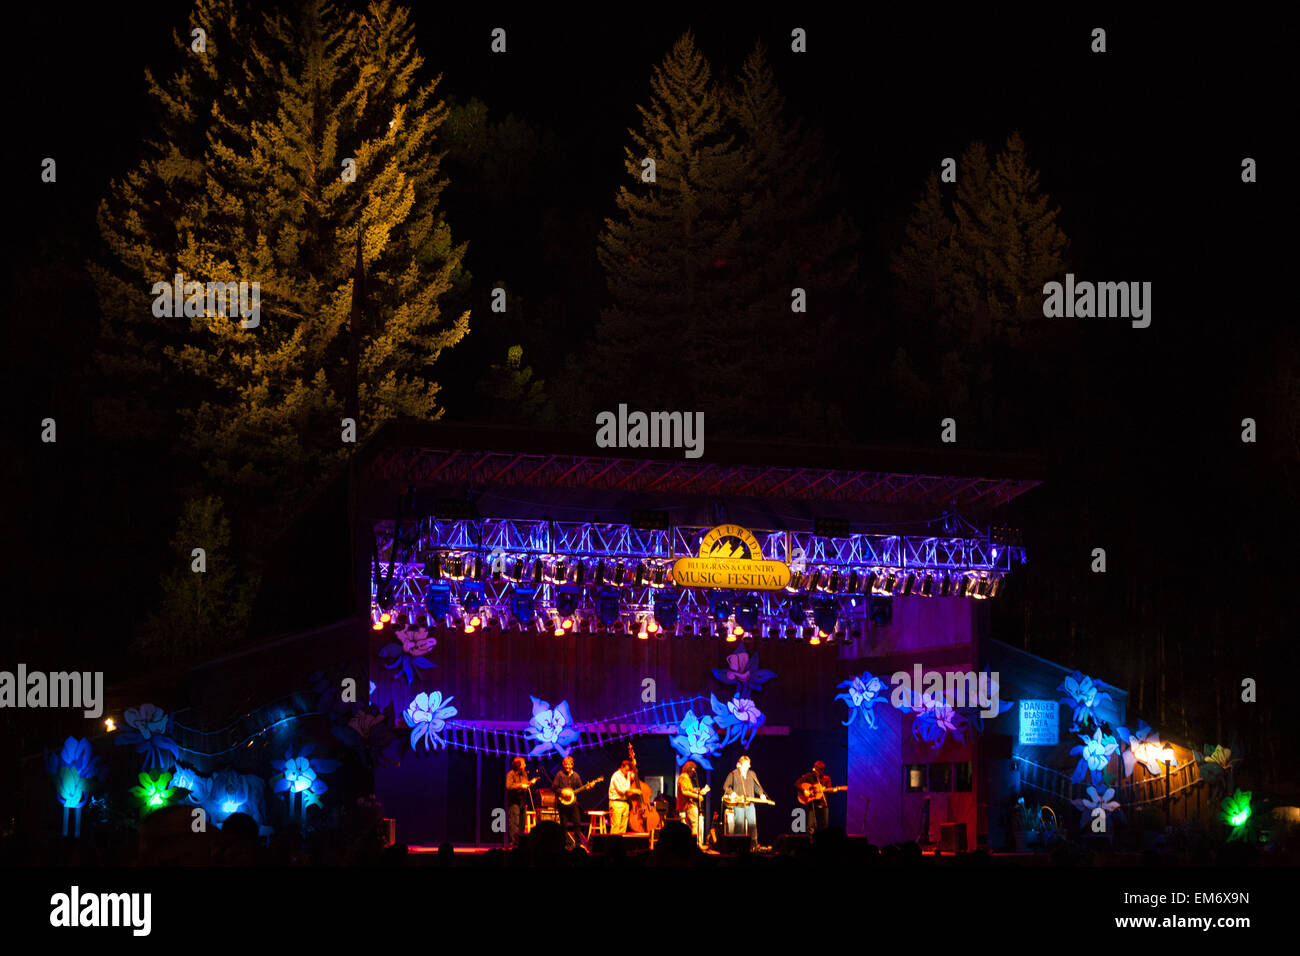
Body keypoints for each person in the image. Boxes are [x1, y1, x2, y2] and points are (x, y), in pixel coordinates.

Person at [722, 754, 769, 849]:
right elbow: (726, 787)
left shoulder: (752, 774)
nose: (747, 767)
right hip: (739, 804)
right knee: (739, 826)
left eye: (748, 765)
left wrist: (761, 794)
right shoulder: (733, 774)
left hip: (750, 804)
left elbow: (757, 787)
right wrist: (732, 793)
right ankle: (739, 847)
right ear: (740, 764)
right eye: (745, 765)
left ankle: (754, 845)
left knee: (753, 825)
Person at [553, 755, 586, 849]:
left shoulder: (576, 776)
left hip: (573, 804)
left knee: (577, 823)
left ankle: (578, 844)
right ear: (563, 764)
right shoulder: (559, 774)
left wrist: (586, 787)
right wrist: (562, 793)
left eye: (569, 765)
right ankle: (564, 844)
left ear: (572, 765)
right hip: (562, 804)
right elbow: (554, 787)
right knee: (563, 825)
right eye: (565, 764)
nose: (567, 766)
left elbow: (580, 787)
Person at [505, 757, 536, 848]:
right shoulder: (511, 774)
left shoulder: (524, 774)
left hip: (523, 802)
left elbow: (525, 784)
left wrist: (530, 783)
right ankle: (514, 843)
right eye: (524, 764)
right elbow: (508, 786)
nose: (525, 765)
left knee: (522, 824)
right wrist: (520, 785)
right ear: (519, 765)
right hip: (514, 802)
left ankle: (521, 844)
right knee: (515, 823)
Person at [676, 760, 707, 848]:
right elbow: (684, 791)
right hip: (689, 805)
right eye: (693, 770)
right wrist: (697, 796)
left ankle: (692, 845)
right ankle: (696, 845)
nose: (693, 773)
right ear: (690, 769)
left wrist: (698, 792)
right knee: (695, 824)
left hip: (688, 805)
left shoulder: (684, 778)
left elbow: (688, 790)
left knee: (691, 825)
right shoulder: (684, 777)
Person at [796, 760, 832, 835]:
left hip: (823, 804)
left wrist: (832, 790)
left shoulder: (826, 779)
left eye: (819, 770)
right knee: (810, 826)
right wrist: (805, 790)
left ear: (822, 770)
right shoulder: (809, 776)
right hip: (812, 804)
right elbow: (797, 783)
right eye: (816, 770)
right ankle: (810, 843)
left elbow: (830, 790)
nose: (817, 772)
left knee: (824, 827)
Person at [607, 759, 637, 834]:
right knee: (616, 826)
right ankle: (613, 845)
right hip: (616, 803)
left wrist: (634, 766)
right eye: (626, 770)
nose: (627, 772)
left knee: (623, 827)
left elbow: (634, 775)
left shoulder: (627, 774)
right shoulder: (616, 776)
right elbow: (622, 790)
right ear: (621, 767)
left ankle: (620, 845)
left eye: (628, 770)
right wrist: (633, 791)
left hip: (625, 803)